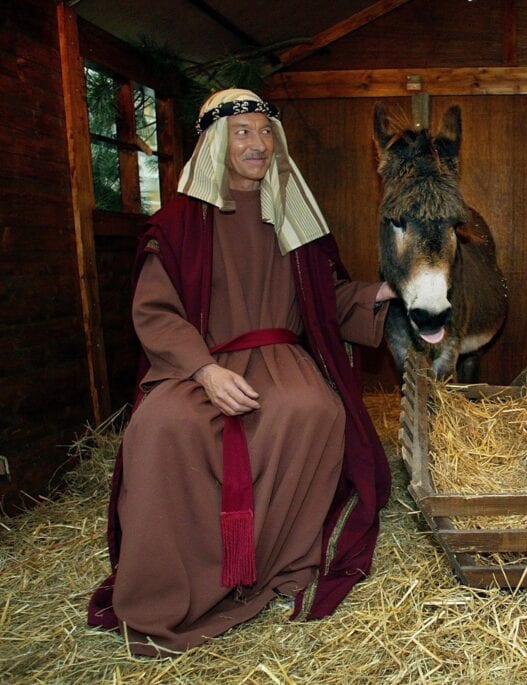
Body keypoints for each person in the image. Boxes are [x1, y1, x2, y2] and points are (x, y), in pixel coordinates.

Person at [87, 89, 396, 656]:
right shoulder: (179, 223)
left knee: (312, 410)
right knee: (162, 428)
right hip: (197, 362)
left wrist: (384, 291)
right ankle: (175, 587)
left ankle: (277, 564)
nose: (258, 143)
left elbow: (324, 300)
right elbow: (155, 312)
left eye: (265, 132)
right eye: (243, 133)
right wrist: (204, 372)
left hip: (279, 358)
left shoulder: (293, 215)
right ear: (215, 144)